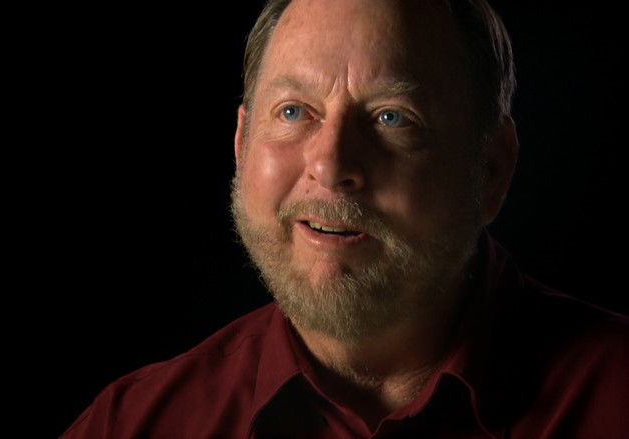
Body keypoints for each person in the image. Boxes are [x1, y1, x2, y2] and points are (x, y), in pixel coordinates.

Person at [61, 0, 628, 437]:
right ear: (240, 144)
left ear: (493, 170)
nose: (331, 166)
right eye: (293, 111)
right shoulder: (131, 423)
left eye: (391, 117)